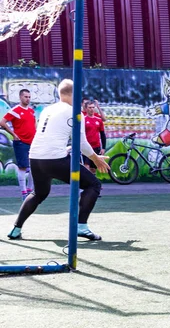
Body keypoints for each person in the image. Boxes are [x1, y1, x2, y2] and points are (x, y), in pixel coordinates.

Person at [7, 79, 110, 240]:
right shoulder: (75, 112)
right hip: (54, 159)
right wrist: (96, 159)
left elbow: (53, 136)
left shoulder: (48, 109)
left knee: (38, 193)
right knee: (93, 184)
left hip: (35, 157)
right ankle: (81, 226)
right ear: (74, 93)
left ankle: (15, 229)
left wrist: (67, 149)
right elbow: (82, 143)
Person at [0, 89, 36, 200]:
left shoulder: (31, 111)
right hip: (21, 143)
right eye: (26, 96)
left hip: (33, 143)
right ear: (20, 97)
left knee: (34, 167)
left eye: (29, 96)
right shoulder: (15, 110)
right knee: (23, 167)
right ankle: (24, 193)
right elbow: (2, 122)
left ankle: (30, 191)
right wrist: (13, 134)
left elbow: (34, 124)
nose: (28, 99)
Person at [82, 100, 107, 175]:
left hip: (96, 147)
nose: (92, 109)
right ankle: (86, 185)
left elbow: (102, 134)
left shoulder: (98, 120)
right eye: (90, 107)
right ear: (86, 109)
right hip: (86, 147)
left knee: (93, 169)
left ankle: (93, 185)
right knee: (86, 166)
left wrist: (103, 148)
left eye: (93, 107)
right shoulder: (83, 119)